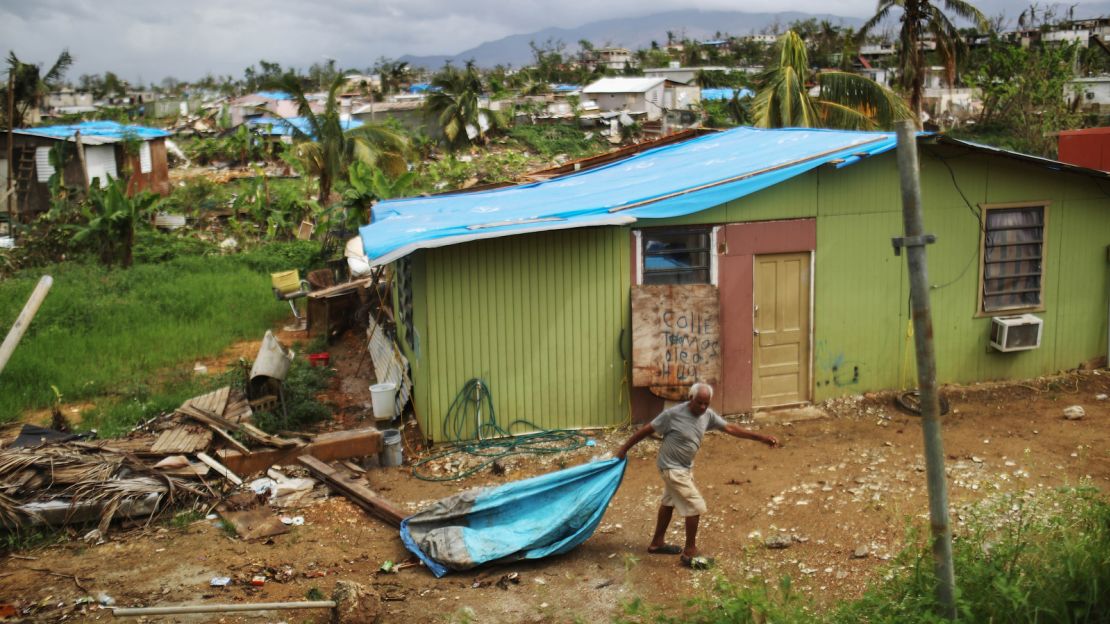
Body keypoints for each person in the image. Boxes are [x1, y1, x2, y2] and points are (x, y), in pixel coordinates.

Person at [614, 382, 778, 567]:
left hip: (684, 468)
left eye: (706, 403)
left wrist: (761, 438)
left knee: (669, 502)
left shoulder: (707, 415)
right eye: (699, 403)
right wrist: (623, 450)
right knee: (695, 505)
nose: (702, 407)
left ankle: (656, 543)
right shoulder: (672, 415)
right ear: (690, 398)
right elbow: (645, 430)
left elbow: (731, 428)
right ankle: (689, 552)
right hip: (671, 468)